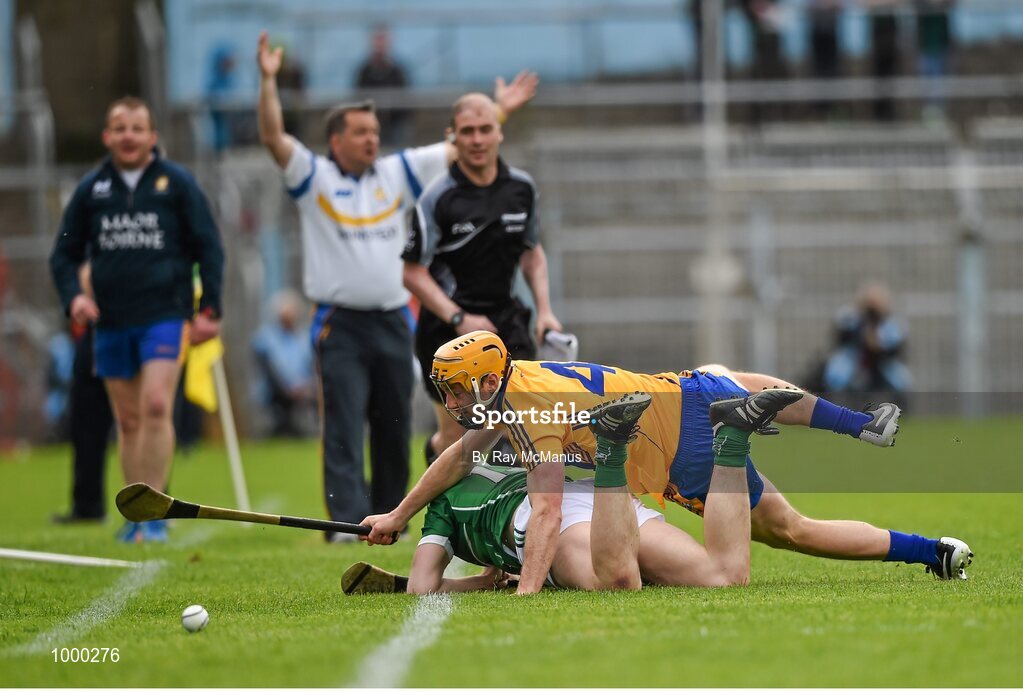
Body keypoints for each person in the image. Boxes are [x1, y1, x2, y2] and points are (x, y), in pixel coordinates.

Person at [364, 331, 972, 594]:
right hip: (688, 390)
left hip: (681, 453)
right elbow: (740, 382)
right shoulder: (517, 379)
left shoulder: (532, 410)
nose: (452, 403)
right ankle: (933, 551)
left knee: (731, 573)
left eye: (458, 390)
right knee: (794, 530)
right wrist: (397, 512)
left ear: (489, 381)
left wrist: (526, 593)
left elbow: (546, 511)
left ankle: (736, 442)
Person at [256, 30, 539, 542]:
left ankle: (388, 515)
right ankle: (344, 522)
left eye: (375, 130)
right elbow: (275, 139)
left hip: (392, 316)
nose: (372, 138)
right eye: (361, 131)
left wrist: (500, 110)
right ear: (336, 139)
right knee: (342, 422)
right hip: (338, 320)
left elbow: (465, 142)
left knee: (391, 421)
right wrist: (268, 81)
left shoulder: (396, 172)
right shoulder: (314, 177)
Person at [346, 390, 796, 595]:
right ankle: (732, 440)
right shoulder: (496, 450)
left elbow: (421, 587)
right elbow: (457, 456)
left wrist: (501, 586)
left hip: (557, 523)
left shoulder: (442, 503)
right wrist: (397, 516)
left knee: (620, 583)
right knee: (723, 576)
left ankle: (612, 448)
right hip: (595, 502)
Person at [49, 96, 224, 543]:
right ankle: (134, 517)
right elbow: (63, 255)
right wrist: (74, 300)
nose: (129, 136)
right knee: (127, 421)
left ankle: (156, 511)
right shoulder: (91, 191)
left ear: (152, 136)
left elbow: (209, 245)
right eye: (120, 128)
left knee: (157, 406)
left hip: (165, 315)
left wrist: (211, 309)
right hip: (111, 321)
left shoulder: (177, 184)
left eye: (137, 128)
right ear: (108, 136)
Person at [403, 92, 562, 466]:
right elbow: (411, 272)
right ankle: (440, 467)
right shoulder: (437, 197)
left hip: (504, 321)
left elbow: (532, 253)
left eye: (485, 129)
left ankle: (513, 518)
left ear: (499, 133)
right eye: (468, 131)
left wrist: (545, 311)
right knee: (460, 444)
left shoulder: (521, 188)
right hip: (445, 329)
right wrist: (459, 318)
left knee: (521, 425)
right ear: (453, 137)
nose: (477, 139)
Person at [52, 263, 115, 524]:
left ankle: (155, 503)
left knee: (139, 419)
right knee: (85, 424)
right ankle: (88, 505)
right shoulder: (87, 227)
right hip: (95, 334)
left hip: (132, 326)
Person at [822, 281, 911, 404]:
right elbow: (840, 340)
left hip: (883, 362)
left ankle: (902, 410)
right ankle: (832, 408)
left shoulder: (892, 323)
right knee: (836, 374)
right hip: (853, 358)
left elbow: (897, 349)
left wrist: (878, 345)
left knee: (901, 379)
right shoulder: (849, 318)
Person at [251, 288, 315, 437]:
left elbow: (311, 365)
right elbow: (268, 369)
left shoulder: (303, 337)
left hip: (303, 386)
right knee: (281, 395)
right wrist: (287, 388)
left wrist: (307, 385)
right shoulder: (265, 338)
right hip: (276, 388)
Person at [356, 25, 410, 148]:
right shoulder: (364, 71)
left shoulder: (397, 71)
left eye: (382, 40)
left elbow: (405, 100)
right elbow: (358, 97)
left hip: (394, 123)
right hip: (369, 122)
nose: (380, 44)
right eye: (377, 40)